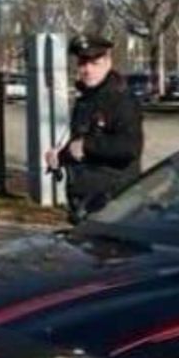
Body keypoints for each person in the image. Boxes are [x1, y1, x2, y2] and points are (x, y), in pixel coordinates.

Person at [44, 33, 144, 223]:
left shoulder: (120, 99)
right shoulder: (86, 100)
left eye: (94, 63)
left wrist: (87, 146)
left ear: (108, 62)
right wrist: (60, 156)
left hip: (114, 206)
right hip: (85, 204)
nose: (87, 70)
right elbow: (79, 145)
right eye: (82, 63)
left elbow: (129, 147)